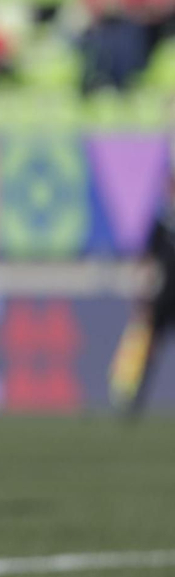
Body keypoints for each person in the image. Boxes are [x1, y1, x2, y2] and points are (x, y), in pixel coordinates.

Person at [109, 169, 175, 416]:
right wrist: (143, 294)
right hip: (163, 297)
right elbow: (147, 261)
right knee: (148, 347)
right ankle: (132, 399)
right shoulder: (162, 223)